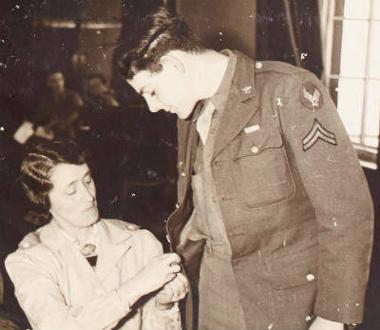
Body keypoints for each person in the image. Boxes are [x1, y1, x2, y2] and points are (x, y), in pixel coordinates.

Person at [116, 6, 374, 330]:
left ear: (173, 65)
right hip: (215, 300)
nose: (153, 107)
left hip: (286, 306)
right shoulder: (189, 116)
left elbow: (347, 212)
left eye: (150, 91)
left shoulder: (288, 92)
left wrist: (334, 316)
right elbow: (207, 210)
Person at [5, 139, 188, 330]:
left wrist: (163, 305)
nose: (88, 195)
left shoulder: (138, 241)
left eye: (87, 180)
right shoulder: (29, 260)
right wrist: (137, 286)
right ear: (43, 200)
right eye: (71, 191)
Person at [34, 69, 84, 140]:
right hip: (52, 133)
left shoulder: (73, 96)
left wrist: (55, 124)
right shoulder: (46, 99)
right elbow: (44, 116)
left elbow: (76, 115)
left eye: (60, 79)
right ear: (48, 83)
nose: (58, 84)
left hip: (70, 132)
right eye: (54, 81)